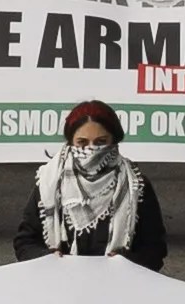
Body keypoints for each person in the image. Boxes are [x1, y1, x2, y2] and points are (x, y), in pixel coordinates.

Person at [11, 98, 170, 265]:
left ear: (114, 141)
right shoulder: (49, 184)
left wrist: (127, 261)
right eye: (82, 142)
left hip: (118, 285)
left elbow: (155, 249)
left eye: (101, 142)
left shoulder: (137, 186)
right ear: (70, 142)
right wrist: (47, 258)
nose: (91, 149)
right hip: (60, 283)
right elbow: (25, 243)